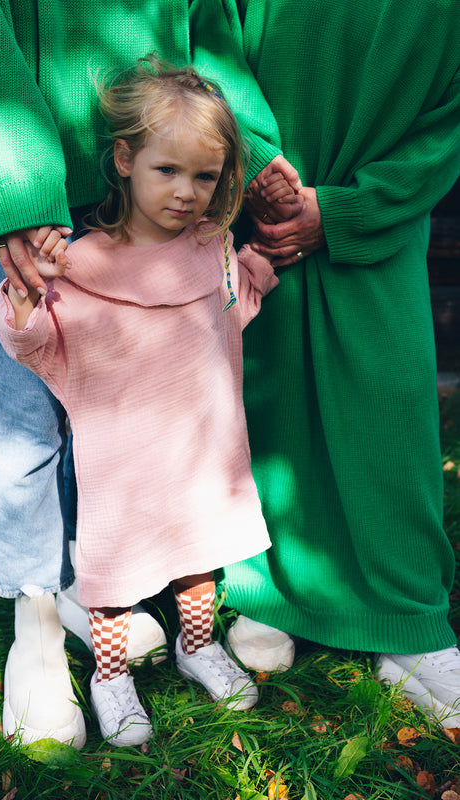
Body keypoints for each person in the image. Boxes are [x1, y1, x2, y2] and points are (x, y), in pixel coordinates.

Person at [0, 0, 299, 747]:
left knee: (126, 419)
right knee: (24, 417)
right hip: (12, 144)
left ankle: (101, 594)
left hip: (153, 131)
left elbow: (207, 19)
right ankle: (37, 618)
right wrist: (17, 190)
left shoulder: (195, 230)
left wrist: (250, 150)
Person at [194, 0, 460, 728]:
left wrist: (353, 208)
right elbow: (208, 24)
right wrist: (245, 152)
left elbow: (451, 115)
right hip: (254, 193)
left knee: (389, 405)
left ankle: (405, 615)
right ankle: (268, 588)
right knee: (264, 392)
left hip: (382, 202)